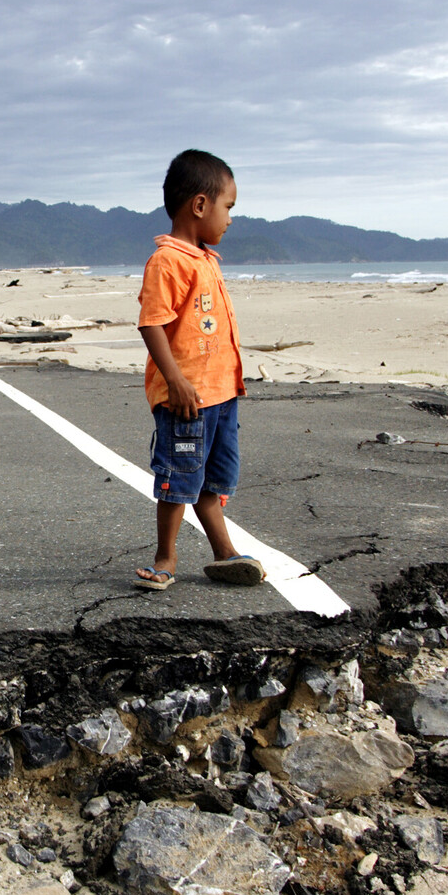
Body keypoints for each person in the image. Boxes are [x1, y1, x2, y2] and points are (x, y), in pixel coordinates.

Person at [133, 149, 265, 591]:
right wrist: (175, 381)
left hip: (222, 395)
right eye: (228, 207)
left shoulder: (205, 259)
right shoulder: (168, 261)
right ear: (200, 205)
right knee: (178, 479)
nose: (230, 218)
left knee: (213, 480)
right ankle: (165, 557)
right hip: (187, 398)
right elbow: (152, 323)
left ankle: (225, 553)